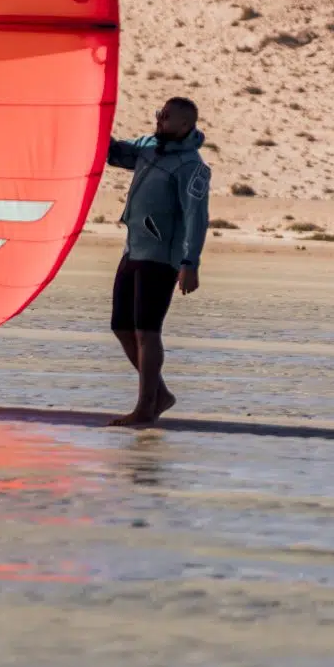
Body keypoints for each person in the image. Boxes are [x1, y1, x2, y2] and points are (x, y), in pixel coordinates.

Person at [104, 96, 210, 427]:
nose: (159, 120)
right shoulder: (148, 147)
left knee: (147, 332)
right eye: (159, 114)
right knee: (121, 327)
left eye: (166, 117)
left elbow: (196, 217)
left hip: (162, 256)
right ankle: (160, 395)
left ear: (185, 125)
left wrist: (190, 263)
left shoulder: (191, 167)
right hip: (133, 250)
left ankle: (146, 407)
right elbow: (115, 154)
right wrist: (94, 123)